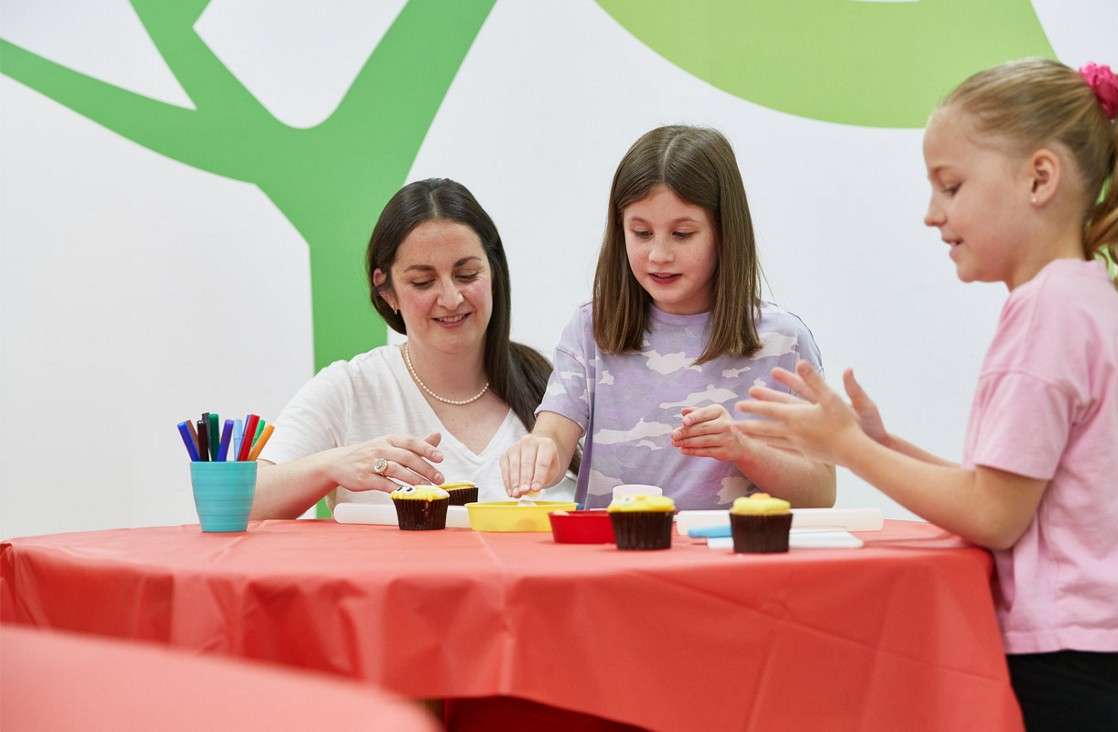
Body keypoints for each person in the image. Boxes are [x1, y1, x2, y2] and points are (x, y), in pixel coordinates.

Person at [737, 60, 1118, 731]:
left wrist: (846, 450)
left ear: (1040, 177)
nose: (931, 214)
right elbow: (1011, 495)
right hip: (1077, 649)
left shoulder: (1048, 315)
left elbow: (994, 516)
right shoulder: (1081, 299)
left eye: (950, 186)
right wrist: (874, 443)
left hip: (1053, 658)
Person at [501, 125, 835, 509]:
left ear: (724, 232)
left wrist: (742, 449)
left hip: (730, 562)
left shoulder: (783, 341)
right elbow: (554, 438)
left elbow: (820, 493)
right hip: (613, 562)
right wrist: (537, 453)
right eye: (641, 233)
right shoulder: (592, 328)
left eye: (682, 234)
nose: (659, 254)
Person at [253, 178, 575, 519]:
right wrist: (333, 465)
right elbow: (245, 502)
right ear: (387, 291)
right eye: (423, 282)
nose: (451, 298)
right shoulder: (351, 389)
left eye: (466, 274)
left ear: (494, 272)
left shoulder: (554, 388)